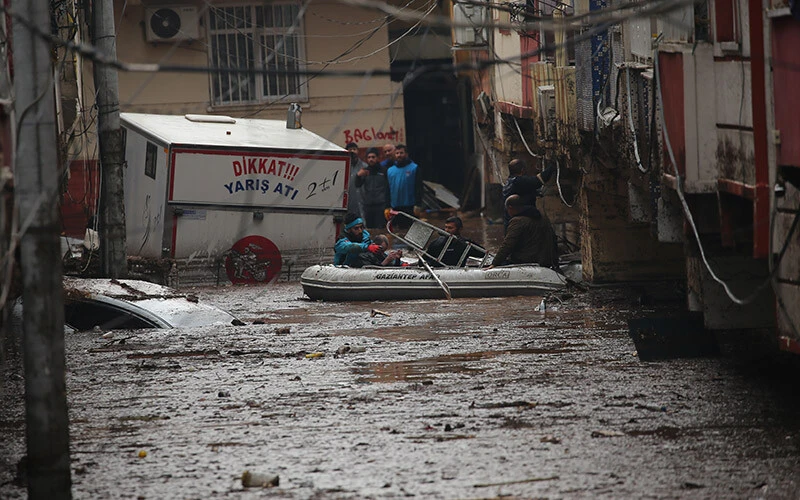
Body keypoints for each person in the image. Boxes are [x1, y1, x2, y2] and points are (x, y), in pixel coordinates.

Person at [487, 194, 558, 269]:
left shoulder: (517, 221)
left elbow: (507, 245)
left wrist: (495, 263)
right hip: (546, 260)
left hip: (528, 260)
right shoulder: (543, 218)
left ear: (510, 208)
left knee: (503, 262)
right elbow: (553, 239)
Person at [502, 158, 556, 232]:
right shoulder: (519, 181)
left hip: (509, 223)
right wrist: (553, 165)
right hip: (520, 225)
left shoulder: (509, 182)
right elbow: (539, 180)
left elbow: (522, 191)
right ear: (522, 170)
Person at [355, 147, 391, 229]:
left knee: (381, 228)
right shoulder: (365, 171)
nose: (371, 159)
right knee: (370, 228)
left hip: (381, 205)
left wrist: (388, 205)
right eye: (369, 157)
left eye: (373, 157)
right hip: (368, 205)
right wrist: (358, 176)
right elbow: (357, 185)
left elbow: (388, 188)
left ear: (377, 158)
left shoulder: (384, 171)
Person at [386, 144, 422, 223]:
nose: (399, 155)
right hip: (395, 207)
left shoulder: (414, 168)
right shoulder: (390, 170)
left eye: (401, 153)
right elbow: (387, 189)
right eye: (397, 153)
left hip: (410, 206)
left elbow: (419, 187)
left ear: (406, 154)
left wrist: (418, 204)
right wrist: (387, 206)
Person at [345, 142, 366, 220]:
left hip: (362, 201)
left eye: (354, 149)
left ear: (358, 151)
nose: (352, 151)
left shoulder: (364, 167)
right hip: (348, 201)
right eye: (350, 149)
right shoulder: (343, 166)